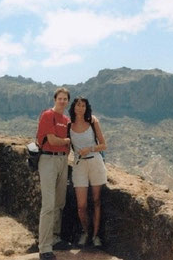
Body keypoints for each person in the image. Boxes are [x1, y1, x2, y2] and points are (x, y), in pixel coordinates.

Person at [36, 88, 73, 260]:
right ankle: (44, 247)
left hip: (62, 160)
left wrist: (65, 145)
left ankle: (55, 238)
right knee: (48, 205)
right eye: (60, 98)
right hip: (48, 160)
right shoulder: (47, 115)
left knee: (60, 202)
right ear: (55, 99)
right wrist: (66, 141)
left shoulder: (66, 120)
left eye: (65, 99)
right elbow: (51, 140)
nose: (63, 101)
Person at [68, 97, 108, 247]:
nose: (80, 108)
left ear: (86, 108)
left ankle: (95, 236)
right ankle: (86, 231)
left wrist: (90, 149)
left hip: (95, 162)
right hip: (79, 165)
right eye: (78, 105)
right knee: (81, 206)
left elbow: (103, 145)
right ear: (74, 107)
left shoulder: (92, 121)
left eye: (83, 106)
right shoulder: (69, 125)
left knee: (97, 201)